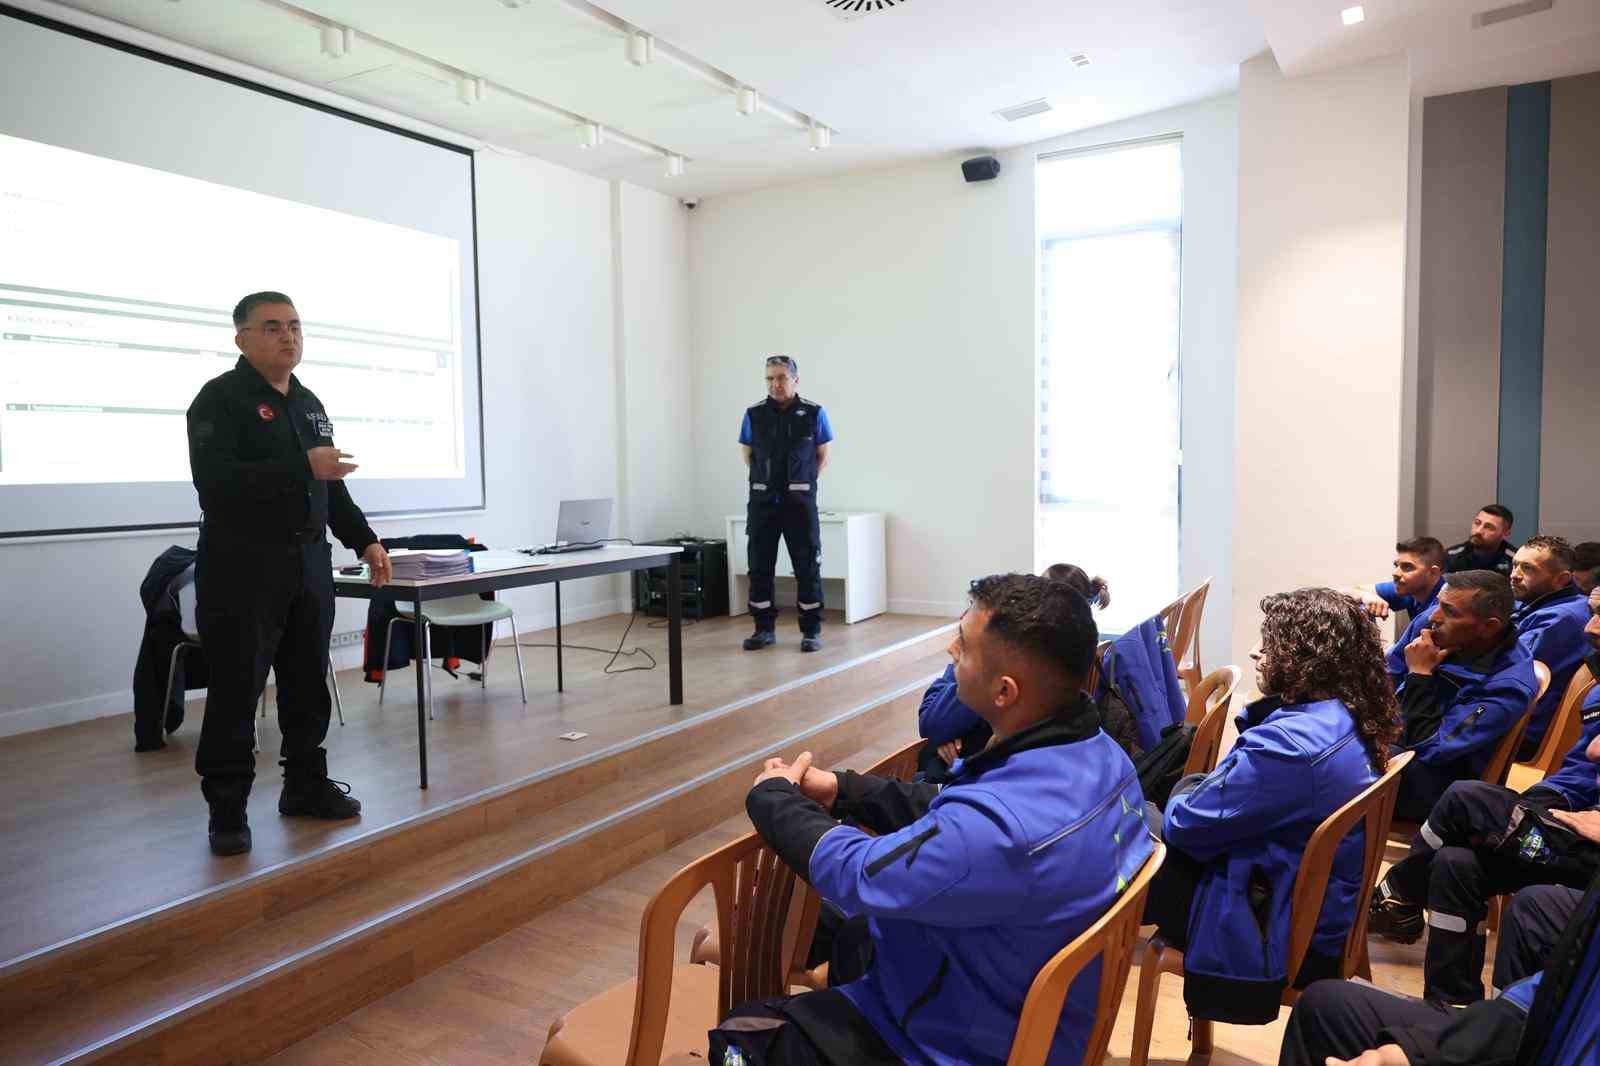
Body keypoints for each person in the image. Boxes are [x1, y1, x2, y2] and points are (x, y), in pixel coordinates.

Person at [713, 574, 1151, 1066]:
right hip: (1035, 1005)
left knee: (740, 1040)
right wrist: (844, 790)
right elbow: (959, 805)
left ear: (1005, 691)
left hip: (963, 1036)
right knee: (852, 935)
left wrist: (773, 798)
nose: (950, 648)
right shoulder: (1103, 757)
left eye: (963, 647)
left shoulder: (996, 833)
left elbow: (859, 871)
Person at [186, 292, 391, 856]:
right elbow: (216, 482)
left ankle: (304, 786)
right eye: (272, 327)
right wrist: (301, 465)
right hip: (241, 566)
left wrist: (366, 539)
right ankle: (227, 810)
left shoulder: (307, 402)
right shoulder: (218, 400)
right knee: (236, 690)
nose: (288, 336)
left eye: (295, 326)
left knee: (306, 684)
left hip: (307, 564)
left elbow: (332, 485)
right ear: (242, 338)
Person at [1140, 588, 1399, 1024]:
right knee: (1137, 820)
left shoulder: (1289, 745)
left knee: (1119, 834)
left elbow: (1186, 826)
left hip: (1271, 924)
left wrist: (1188, 789)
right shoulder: (1343, 714)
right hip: (1306, 905)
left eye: (1271, 642)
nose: (1258, 652)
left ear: (1307, 658)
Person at [1365, 596, 1600, 1005]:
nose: (1589, 628)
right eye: (1594, 614)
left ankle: (1398, 890)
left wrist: (1420, 682)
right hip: (1568, 820)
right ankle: (1453, 1007)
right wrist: (1543, 802)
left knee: (1463, 799)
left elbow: (1433, 750)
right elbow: (1581, 770)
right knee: (1454, 863)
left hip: (1589, 845)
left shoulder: (1507, 680)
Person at [1280, 871, 1600, 1066]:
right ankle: (1452, 999)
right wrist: (1421, 1051)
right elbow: (1543, 995)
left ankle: (1399, 895)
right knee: (1328, 1007)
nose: (1592, 754)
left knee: (1463, 805)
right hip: (1540, 1037)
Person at [916, 562, 1132, 781]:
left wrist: (962, 757)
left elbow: (932, 721)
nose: (951, 648)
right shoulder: (1109, 760)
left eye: (965, 643)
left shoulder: (1013, 661)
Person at [1386, 571, 1539, 822]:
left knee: (1337, 769)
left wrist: (1420, 676)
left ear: (1488, 626)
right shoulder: (1433, 625)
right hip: (1398, 742)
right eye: (1438, 603)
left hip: (1439, 783)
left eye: (1450, 611)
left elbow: (1433, 749)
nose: (1434, 616)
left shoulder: (1508, 686)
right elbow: (1387, 676)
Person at [739, 355, 833, 653]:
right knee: (759, 565)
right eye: (769, 378)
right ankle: (763, 629)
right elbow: (748, 455)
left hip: (799, 504)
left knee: (807, 565)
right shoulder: (753, 414)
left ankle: (811, 630)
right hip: (763, 503)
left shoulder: (814, 413)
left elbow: (822, 456)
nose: (775, 384)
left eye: (781, 377)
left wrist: (800, 485)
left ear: (795, 379)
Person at [1509, 535, 1590, 755]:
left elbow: (1504, 672)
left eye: (1527, 569)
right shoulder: (1535, 602)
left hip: (1523, 734)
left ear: (1561, 579)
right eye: (1514, 565)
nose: (1515, 575)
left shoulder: (1560, 619)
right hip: (1515, 719)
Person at [1355, 537, 1446, 621]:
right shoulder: (1410, 588)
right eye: (1396, 565)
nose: (1395, 573)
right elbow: (1344, 593)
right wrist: (1365, 596)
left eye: (1407, 567)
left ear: (1433, 572)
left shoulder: (1443, 608)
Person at [1443, 503, 1516, 576]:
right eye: (1477, 523)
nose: (1478, 531)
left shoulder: (1515, 561)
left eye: (1489, 527)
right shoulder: (1451, 557)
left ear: (1505, 534)